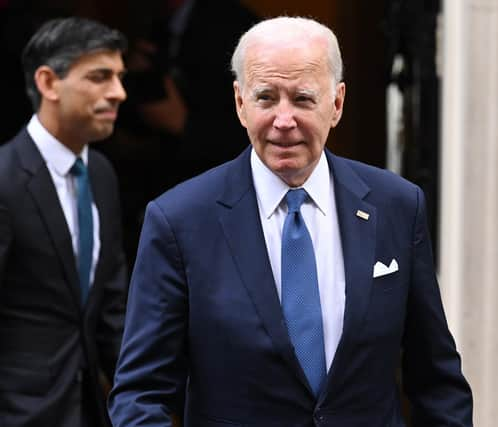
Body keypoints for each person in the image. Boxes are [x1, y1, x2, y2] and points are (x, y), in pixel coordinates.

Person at [109, 16, 473, 426]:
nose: (284, 120)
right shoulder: (179, 220)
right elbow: (141, 394)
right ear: (239, 103)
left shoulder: (397, 207)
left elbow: (438, 381)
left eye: (302, 99)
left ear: (336, 104)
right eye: (266, 98)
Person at [0, 17, 129, 427]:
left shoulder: (103, 174)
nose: (119, 93)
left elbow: (110, 308)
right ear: (48, 83)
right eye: (99, 77)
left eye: (120, 77)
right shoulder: (4, 179)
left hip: (91, 408)